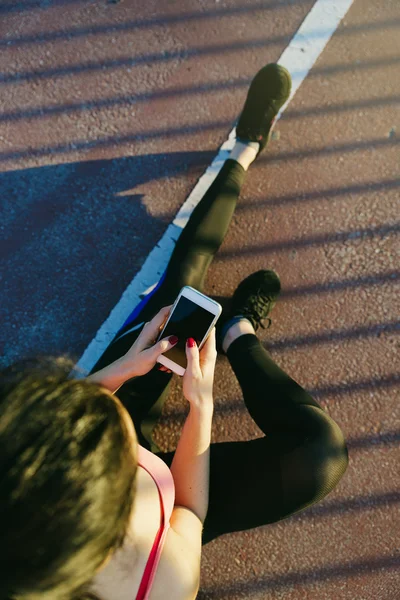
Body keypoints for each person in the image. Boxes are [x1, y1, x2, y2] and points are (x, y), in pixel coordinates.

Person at [0, 64, 349, 600]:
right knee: (319, 454)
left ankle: (244, 149)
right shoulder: (163, 584)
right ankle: (238, 329)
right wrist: (200, 410)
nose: (93, 405)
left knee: (175, 298)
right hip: (174, 513)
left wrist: (118, 372)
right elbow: (188, 508)